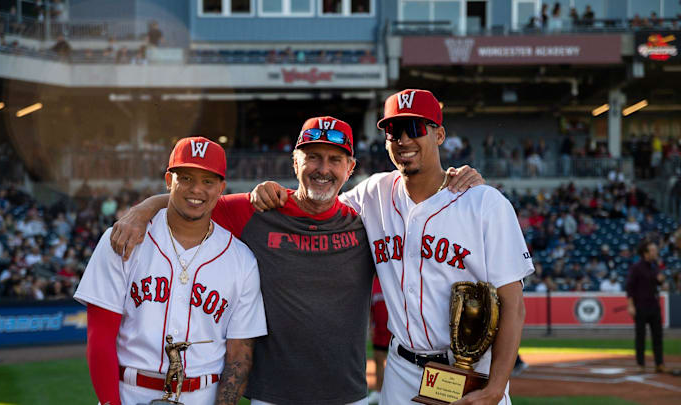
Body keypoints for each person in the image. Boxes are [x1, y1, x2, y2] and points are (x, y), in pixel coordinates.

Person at [109, 117, 483, 404]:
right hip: (272, 394)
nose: (323, 168)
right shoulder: (257, 208)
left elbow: (420, 206)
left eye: (335, 160)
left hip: (347, 394)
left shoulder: (365, 218)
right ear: (294, 162)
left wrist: (459, 179)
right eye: (313, 157)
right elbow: (189, 200)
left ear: (349, 169)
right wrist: (141, 211)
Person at [251, 89, 532, 404]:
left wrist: (496, 387)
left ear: (439, 135)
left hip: (469, 370)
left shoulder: (485, 203)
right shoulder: (373, 193)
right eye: (393, 131)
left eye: (415, 128)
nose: (403, 140)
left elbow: (514, 305)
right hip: (402, 372)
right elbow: (318, 203)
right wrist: (275, 191)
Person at [74, 137, 267, 405]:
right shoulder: (123, 239)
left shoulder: (242, 259)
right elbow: (101, 336)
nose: (196, 189)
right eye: (186, 178)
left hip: (203, 395)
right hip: (131, 392)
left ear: (221, 188)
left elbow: (239, 355)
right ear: (169, 180)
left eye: (208, 181)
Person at [626, 240, 666, 374]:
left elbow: (658, 283)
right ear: (646, 253)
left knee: (658, 336)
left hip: (654, 306)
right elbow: (629, 287)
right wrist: (630, 305)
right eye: (653, 250)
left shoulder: (655, 267)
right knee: (640, 336)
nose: (656, 252)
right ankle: (640, 364)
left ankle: (659, 364)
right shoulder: (636, 268)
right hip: (641, 307)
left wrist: (661, 281)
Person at [369, 275, 391, 404]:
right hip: (379, 329)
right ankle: (378, 391)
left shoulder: (393, 279)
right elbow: (370, 308)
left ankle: (391, 389)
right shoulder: (374, 283)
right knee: (378, 359)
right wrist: (371, 325)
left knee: (396, 361)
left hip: (394, 330)